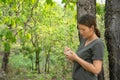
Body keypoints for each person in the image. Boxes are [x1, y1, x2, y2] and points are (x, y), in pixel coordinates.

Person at [64, 14, 104, 80]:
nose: (81, 32)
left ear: (92, 28)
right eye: (79, 29)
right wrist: (71, 55)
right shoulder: (84, 40)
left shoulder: (98, 44)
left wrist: (76, 58)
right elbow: (80, 62)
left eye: (83, 29)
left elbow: (96, 70)